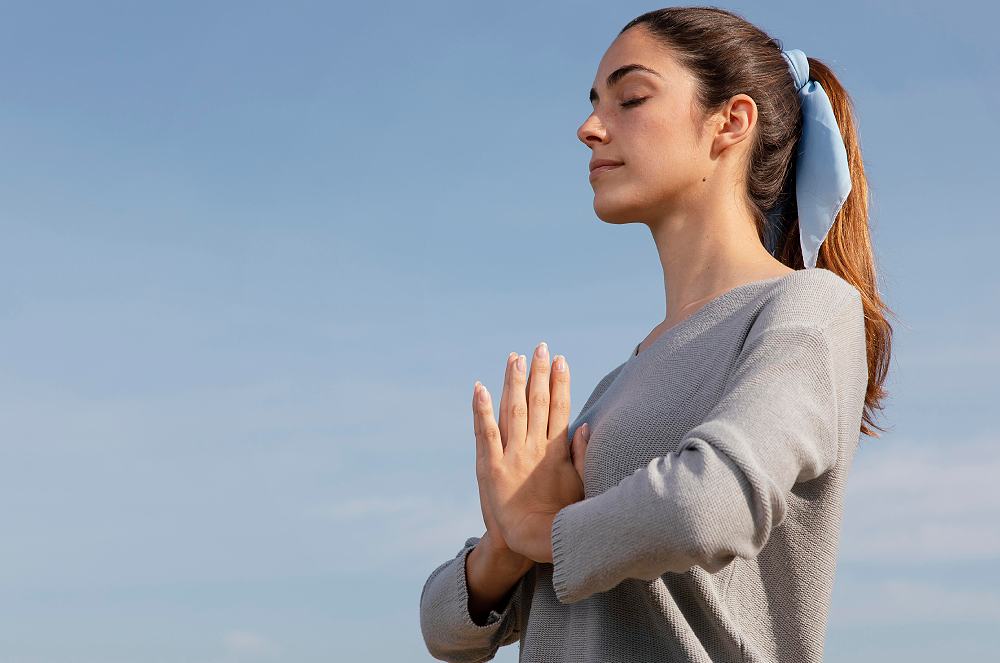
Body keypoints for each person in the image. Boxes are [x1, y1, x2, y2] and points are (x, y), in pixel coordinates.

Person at [419, 6, 893, 662]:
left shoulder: (807, 307)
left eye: (631, 98)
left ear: (731, 122)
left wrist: (544, 529)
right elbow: (446, 631)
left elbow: (710, 505)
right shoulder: (616, 386)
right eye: (594, 103)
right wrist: (505, 544)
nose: (590, 127)